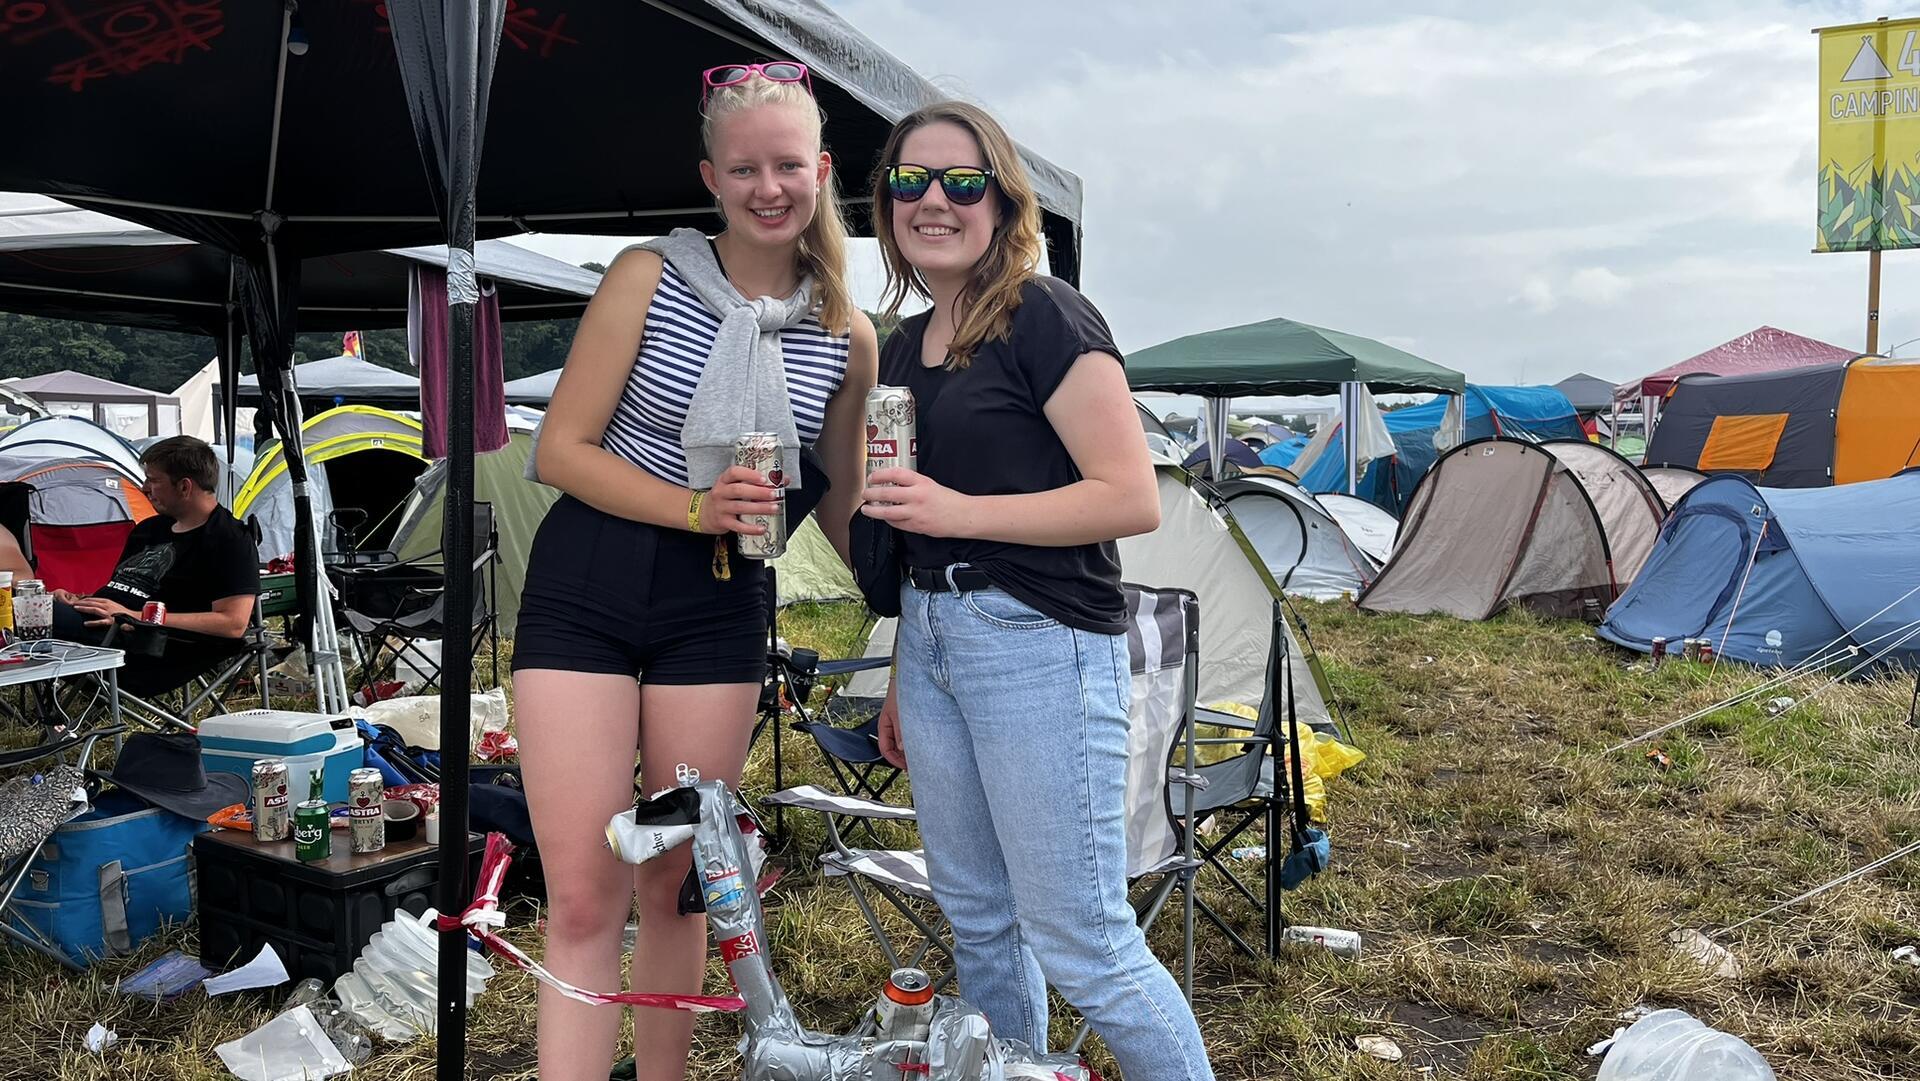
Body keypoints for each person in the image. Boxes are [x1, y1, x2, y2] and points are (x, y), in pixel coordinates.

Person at [511, 61, 876, 1081]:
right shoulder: (647, 275)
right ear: (710, 176)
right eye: (746, 167)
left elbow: (843, 500)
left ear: (823, 172)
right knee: (587, 892)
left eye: (789, 166)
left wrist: (917, 609)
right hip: (586, 589)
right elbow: (562, 451)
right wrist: (691, 503)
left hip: (716, 608)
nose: (770, 187)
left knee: (681, 878)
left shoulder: (848, 333)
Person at [860, 101, 1215, 1080]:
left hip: (1039, 645)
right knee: (978, 920)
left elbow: (1128, 496)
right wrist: (902, 672)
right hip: (934, 644)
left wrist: (953, 510)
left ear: (1003, 201)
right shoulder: (904, 346)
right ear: (886, 204)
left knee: (1085, 942)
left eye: (961, 182)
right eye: (910, 182)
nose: (934, 200)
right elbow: (915, 540)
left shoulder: (1044, 314)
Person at [52, 436, 258, 695]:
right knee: (28, 606)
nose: (144, 488)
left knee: (25, 616)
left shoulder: (228, 539)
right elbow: (128, 590)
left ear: (184, 487)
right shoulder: (150, 529)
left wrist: (134, 617)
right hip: (107, 627)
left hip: (148, 647)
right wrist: (81, 601)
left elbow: (233, 623)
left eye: (153, 480)